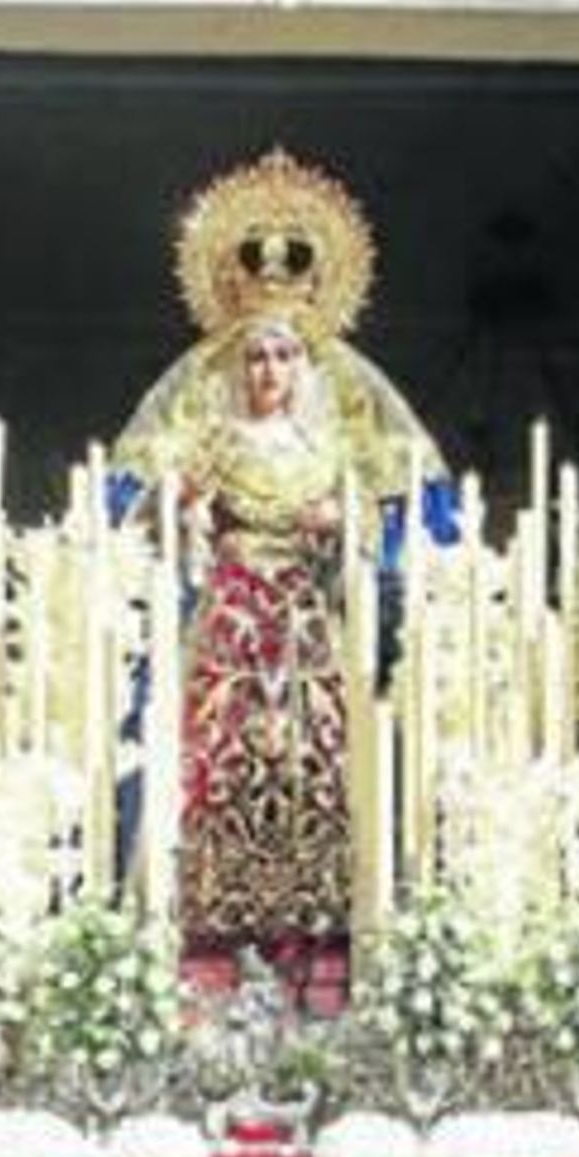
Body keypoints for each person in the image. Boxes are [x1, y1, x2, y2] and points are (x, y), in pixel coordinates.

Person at [110, 147, 456, 947]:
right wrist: (180, 507)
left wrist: (346, 527)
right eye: (257, 354)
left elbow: (384, 526)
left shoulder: (334, 446)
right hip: (230, 612)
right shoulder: (214, 435)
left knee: (323, 749)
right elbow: (149, 516)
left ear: (306, 365)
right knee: (213, 745)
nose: (269, 367)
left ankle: (327, 914)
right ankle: (208, 905)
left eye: (284, 355)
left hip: (308, 618)